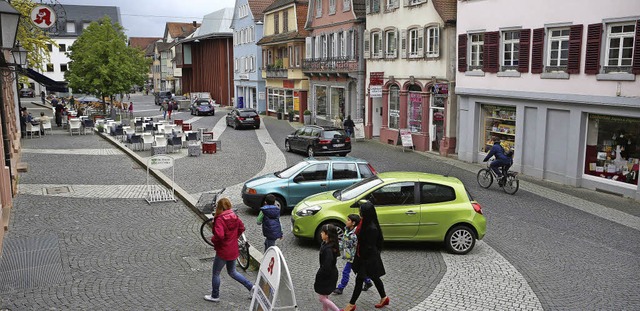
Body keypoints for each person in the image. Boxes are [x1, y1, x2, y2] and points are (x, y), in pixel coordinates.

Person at [342, 201, 390, 311]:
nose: (360, 213)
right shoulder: (364, 222)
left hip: (367, 258)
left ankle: (351, 305)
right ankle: (384, 297)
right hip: (363, 256)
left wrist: (361, 259)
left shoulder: (372, 228)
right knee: (374, 277)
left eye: (361, 211)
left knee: (359, 279)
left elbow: (369, 246)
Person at [205, 197, 254, 302]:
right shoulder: (234, 216)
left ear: (219, 207)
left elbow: (220, 235)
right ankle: (251, 287)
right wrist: (234, 237)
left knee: (216, 273)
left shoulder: (219, 219)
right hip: (233, 248)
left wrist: (213, 240)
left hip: (223, 250)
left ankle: (215, 295)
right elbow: (241, 228)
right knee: (232, 272)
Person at [333, 214, 373, 295]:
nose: (346, 221)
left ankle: (341, 288)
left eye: (348, 220)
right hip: (350, 256)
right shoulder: (346, 230)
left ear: (353, 223)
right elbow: (344, 242)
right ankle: (368, 281)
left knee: (345, 272)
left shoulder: (355, 234)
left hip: (354, 257)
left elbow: (358, 246)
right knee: (359, 271)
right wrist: (337, 249)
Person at [314, 224, 340, 311]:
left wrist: (320, 274)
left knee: (322, 298)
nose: (321, 233)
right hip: (330, 274)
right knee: (325, 296)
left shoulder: (328, 249)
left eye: (322, 232)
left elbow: (327, 266)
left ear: (327, 235)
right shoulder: (327, 245)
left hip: (327, 275)